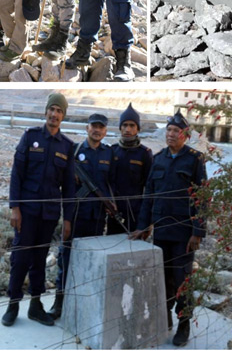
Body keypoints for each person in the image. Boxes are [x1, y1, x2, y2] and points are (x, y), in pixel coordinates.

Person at [131, 112, 206, 347]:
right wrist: (143, 227)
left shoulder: (195, 159)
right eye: (169, 130)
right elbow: (149, 196)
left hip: (183, 234)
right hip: (161, 232)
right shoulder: (159, 159)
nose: (171, 134)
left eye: (176, 131)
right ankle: (165, 321)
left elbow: (202, 198)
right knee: (162, 281)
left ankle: (183, 325)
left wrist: (197, 231)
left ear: (185, 135)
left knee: (182, 281)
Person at [4, 93, 75, 327]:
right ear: (45, 112)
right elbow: (17, 175)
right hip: (27, 213)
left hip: (49, 215)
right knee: (20, 259)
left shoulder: (67, 146)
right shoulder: (30, 137)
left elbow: (69, 188)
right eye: (51, 109)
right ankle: (13, 305)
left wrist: (67, 220)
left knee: (39, 260)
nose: (54, 114)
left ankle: (35, 306)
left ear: (63, 116)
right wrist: (15, 207)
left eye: (59, 111)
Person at [49, 112, 114, 319]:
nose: (97, 130)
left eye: (101, 127)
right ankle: (59, 302)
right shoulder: (75, 150)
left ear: (105, 131)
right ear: (87, 128)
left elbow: (111, 184)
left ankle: (85, 303)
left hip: (97, 218)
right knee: (66, 260)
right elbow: (60, 178)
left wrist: (111, 203)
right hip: (75, 215)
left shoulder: (108, 154)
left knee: (92, 261)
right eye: (93, 126)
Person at [107, 103, 152, 236]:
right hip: (114, 212)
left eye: (132, 125)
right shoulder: (112, 151)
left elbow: (149, 189)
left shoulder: (144, 154)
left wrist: (146, 223)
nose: (128, 129)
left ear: (137, 128)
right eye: (124, 125)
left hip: (135, 214)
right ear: (120, 128)